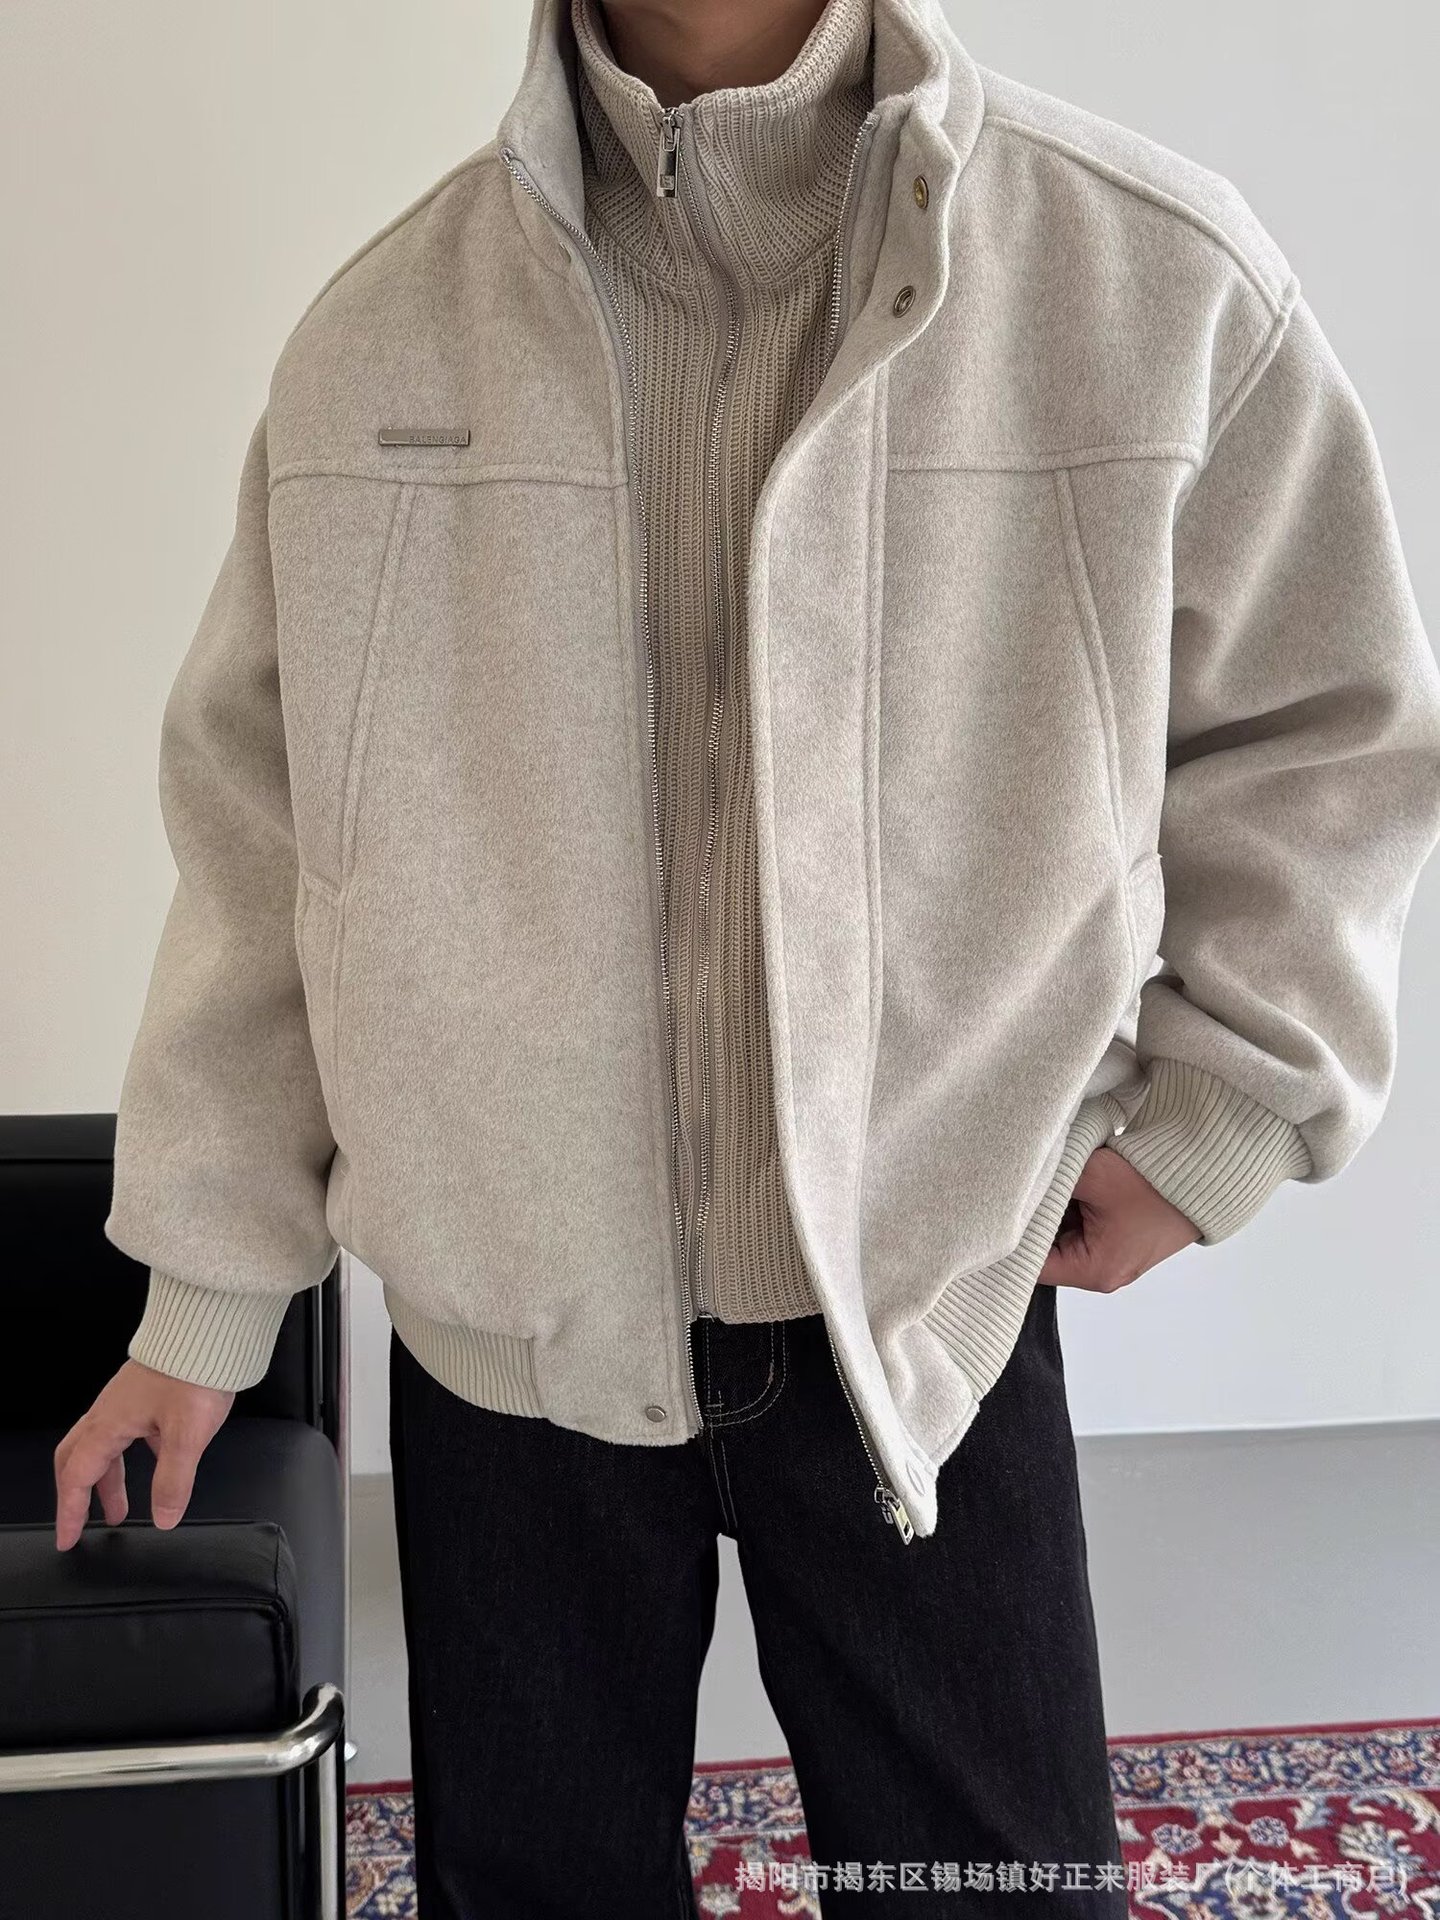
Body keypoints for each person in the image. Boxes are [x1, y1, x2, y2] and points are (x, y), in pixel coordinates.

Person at [54, 0, 1440, 1911]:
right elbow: (271, 846)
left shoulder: (1147, 276)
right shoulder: (382, 337)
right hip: (509, 1350)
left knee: (992, 1888)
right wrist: (202, 1298)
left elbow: (1327, 731)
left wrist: (1232, 1111)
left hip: (928, 1305)